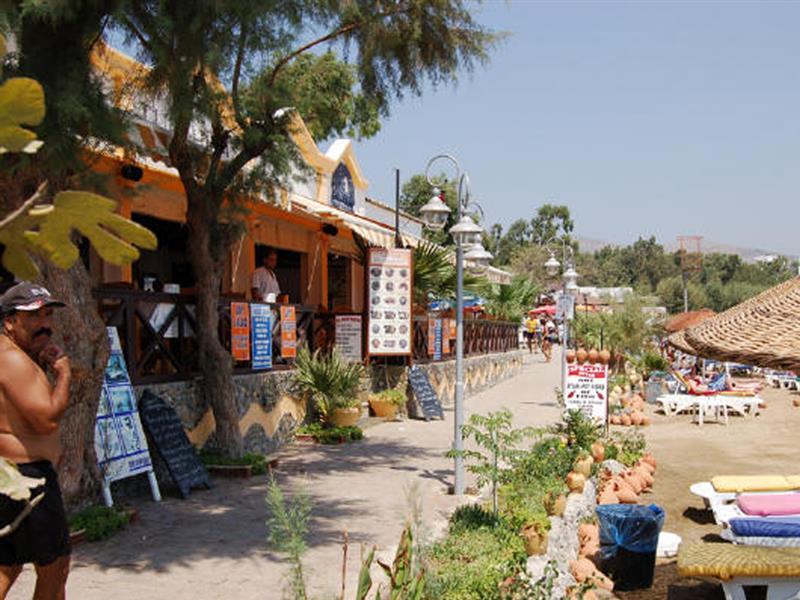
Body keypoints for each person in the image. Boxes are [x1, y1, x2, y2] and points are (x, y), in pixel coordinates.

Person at [0, 281, 71, 599]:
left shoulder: (14, 355)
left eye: (47, 315)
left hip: (15, 477)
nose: (44, 324)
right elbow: (46, 420)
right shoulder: (13, 360)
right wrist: (64, 374)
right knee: (55, 567)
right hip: (29, 480)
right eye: (33, 316)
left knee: (8, 565)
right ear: (9, 321)